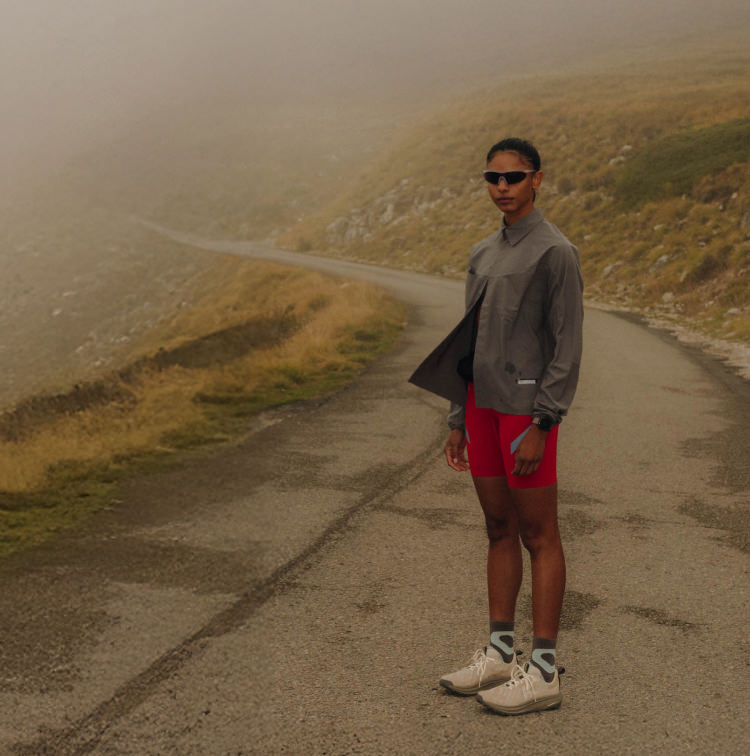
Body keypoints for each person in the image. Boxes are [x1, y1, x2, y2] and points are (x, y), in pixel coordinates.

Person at [408, 137, 583, 715]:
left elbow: (567, 347)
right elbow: (468, 343)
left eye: (514, 176)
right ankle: (501, 654)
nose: (502, 186)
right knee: (497, 527)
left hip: (525, 412)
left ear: (537, 179)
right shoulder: (482, 252)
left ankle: (545, 671)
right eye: (493, 177)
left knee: (540, 534)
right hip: (481, 407)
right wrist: (458, 418)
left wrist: (543, 422)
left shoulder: (556, 252)